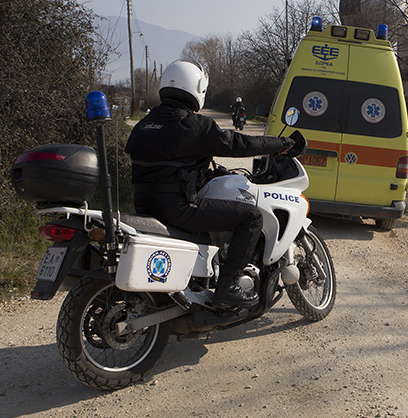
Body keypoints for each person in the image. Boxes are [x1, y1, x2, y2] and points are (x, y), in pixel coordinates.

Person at [125, 60, 294, 309]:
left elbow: (165, 165)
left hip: (143, 204)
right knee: (251, 217)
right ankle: (229, 287)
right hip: (177, 207)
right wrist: (280, 144)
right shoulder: (192, 125)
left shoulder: (143, 125)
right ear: (197, 88)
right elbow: (239, 144)